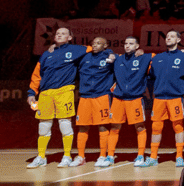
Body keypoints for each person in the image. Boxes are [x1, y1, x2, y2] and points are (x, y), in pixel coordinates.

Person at [25, 26, 83, 168]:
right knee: (43, 126)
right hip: (45, 93)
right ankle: (41, 157)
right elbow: (37, 75)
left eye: (63, 33)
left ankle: (67, 156)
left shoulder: (76, 50)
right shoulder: (46, 54)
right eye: (57, 33)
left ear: (69, 37)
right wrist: (32, 93)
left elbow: (97, 47)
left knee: (65, 123)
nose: (59, 35)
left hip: (64, 91)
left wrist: (111, 53)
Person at [147, 31, 184, 167]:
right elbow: (150, 74)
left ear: (178, 40)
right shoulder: (157, 58)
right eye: (167, 36)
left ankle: (179, 157)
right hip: (159, 98)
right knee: (156, 127)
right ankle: (153, 157)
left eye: (172, 36)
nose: (168, 38)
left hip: (175, 97)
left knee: (178, 126)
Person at [109, 36, 152, 166]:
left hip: (135, 99)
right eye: (126, 43)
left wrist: (183, 52)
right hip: (118, 98)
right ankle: (110, 156)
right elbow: (102, 50)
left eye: (131, 43)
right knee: (115, 127)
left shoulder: (143, 57)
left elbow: (162, 56)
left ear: (137, 46)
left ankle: (140, 156)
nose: (127, 45)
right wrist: (110, 55)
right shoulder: (118, 58)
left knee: (139, 127)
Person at [73, 37, 115, 167]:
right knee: (82, 126)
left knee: (102, 126)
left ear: (105, 45)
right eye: (93, 43)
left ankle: (103, 156)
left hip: (101, 96)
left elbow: (124, 60)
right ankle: (80, 156)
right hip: (85, 96)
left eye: (98, 43)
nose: (95, 45)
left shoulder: (110, 57)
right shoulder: (84, 58)